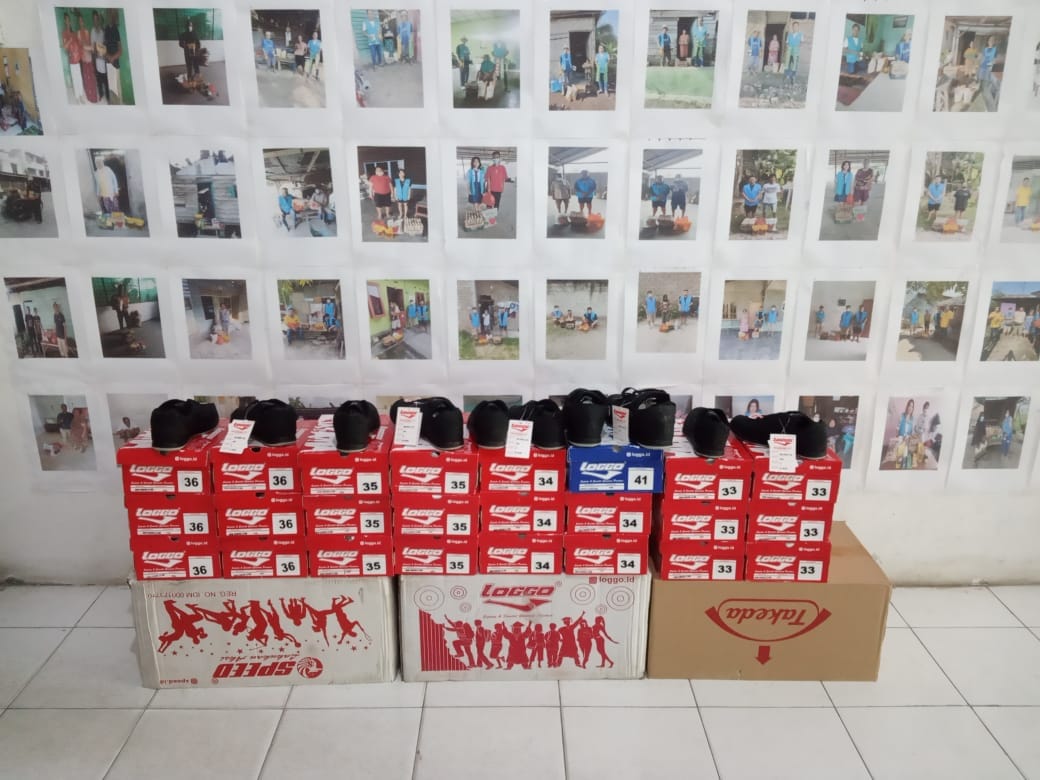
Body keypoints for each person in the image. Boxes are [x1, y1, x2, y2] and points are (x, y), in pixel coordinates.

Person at [61, 13, 86, 103]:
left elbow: (79, 44)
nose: (68, 21)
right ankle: (77, 97)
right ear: (65, 21)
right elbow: (65, 47)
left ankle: (81, 95)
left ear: (70, 21)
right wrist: (70, 40)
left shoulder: (74, 33)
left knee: (79, 78)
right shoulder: (64, 33)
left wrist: (80, 50)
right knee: (75, 78)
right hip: (72, 60)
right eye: (66, 20)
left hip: (77, 58)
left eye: (69, 20)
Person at [91, 11, 108, 102]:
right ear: (93, 21)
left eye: (97, 19)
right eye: (94, 19)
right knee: (99, 77)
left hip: (103, 56)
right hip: (97, 57)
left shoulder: (102, 31)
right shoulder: (93, 31)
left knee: (105, 76)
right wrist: (95, 53)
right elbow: (93, 45)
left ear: (98, 20)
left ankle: (107, 95)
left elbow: (105, 43)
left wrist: (103, 51)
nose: (95, 21)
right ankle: (101, 94)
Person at [897, 399, 915, 469]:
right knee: (899, 456)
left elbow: (911, 432)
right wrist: (899, 436)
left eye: (912, 406)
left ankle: (904, 465)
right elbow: (898, 427)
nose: (910, 407)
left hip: (907, 439)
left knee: (905, 455)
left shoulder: (912, 418)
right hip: (900, 437)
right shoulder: (902, 415)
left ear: (913, 408)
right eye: (909, 405)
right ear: (907, 406)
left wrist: (908, 437)